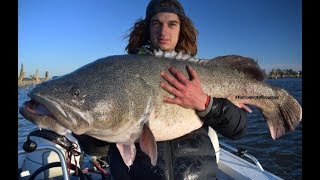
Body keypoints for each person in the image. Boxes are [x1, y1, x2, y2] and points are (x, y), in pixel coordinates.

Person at [106, 0, 252, 179]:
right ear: (147, 28)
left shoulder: (201, 73)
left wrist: (206, 103)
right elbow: (94, 147)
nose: (163, 32)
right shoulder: (122, 72)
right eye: (156, 23)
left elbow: (238, 130)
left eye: (172, 24)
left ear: (181, 29)